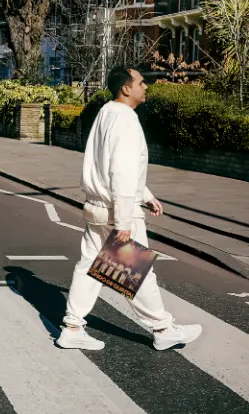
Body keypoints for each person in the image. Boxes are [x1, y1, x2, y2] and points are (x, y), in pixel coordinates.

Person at [56, 66, 201, 352]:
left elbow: (109, 163)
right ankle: (162, 328)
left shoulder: (106, 113)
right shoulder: (126, 120)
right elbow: (121, 172)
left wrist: (145, 194)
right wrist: (123, 223)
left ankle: (72, 326)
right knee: (137, 271)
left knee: (88, 267)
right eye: (141, 82)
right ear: (126, 88)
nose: (146, 86)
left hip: (97, 206)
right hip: (118, 210)